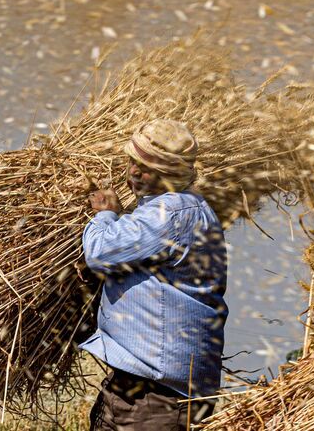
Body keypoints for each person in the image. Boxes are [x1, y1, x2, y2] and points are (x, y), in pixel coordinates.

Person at [80, 119, 228, 430]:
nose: (134, 172)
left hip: (157, 396)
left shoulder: (172, 214)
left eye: (146, 167)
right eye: (132, 161)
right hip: (142, 387)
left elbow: (101, 253)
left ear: (170, 173)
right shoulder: (184, 209)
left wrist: (105, 213)